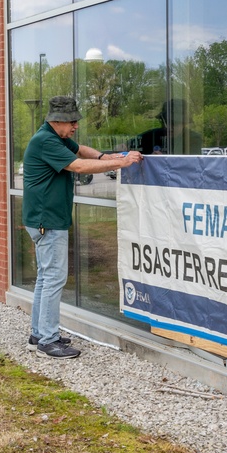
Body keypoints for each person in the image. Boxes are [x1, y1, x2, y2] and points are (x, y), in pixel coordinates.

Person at [23, 96, 144, 359]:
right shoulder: (46, 141)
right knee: (54, 278)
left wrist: (105, 155)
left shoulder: (57, 138)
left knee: (45, 278)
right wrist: (120, 163)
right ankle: (48, 341)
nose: (76, 125)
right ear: (57, 121)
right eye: (72, 121)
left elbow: (80, 151)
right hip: (48, 221)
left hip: (45, 219)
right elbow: (77, 165)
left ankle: (38, 334)